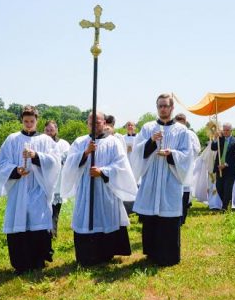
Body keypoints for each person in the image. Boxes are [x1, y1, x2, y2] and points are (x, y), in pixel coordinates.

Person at [60, 111, 138, 267]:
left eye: (97, 122)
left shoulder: (113, 142)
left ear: (104, 123)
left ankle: (106, 254)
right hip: (86, 190)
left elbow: (121, 165)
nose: (94, 125)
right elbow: (69, 165)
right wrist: (85, 153)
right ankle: (87, 255)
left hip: (105, 189)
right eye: (91, 122)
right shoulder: (80, 142)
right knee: (87, 219)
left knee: (105, 218)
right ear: (87, 124)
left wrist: (103, 171)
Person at [0, 106, 61, 274]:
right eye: (26, 121)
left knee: (38, 223)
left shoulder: (46, 140)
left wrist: (36, 156)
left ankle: (38, 260)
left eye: (32, 121)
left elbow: (55, 161)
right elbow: (1, 163)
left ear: (37, 120)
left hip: (38, 188)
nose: (29, 124)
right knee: (19, 222)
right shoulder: (12, 139)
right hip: (19, 189)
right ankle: (21, 262)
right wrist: (16, 170)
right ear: (22, 121)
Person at [131, 93, 193, 266]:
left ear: (172, 108)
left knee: (168, 218)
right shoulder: (148, 128)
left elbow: (188, 155)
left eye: (166, 106)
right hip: (151, 178)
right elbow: (137, 152)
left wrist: (171, 154)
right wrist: (150, 141)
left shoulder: (182, 131)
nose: (163, 109)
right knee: (151, 218)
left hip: (170, 180)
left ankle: (169, 255)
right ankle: (151, 253)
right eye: (160, 106)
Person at [44, 120, 70, 238]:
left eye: (51, 130)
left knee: (55, 210)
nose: (49, 132)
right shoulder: (41, 142)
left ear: (56, 130)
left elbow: (68, 160)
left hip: (58, 181)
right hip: (43, 180)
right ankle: (43, 232)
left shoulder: (63, 144)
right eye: (47, 130)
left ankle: (52, 233)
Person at [174, 113, 201, 225]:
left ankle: (182, 217)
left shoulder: (190, 134)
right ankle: (175, 215)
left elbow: (197, 149)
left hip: (187, 166)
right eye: (177, 122)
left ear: (185, 122)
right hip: (174, 166)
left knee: (185, 190)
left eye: (181, 122)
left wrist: (187, 156)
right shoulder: (173, 133)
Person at [210, 123, 235, 211]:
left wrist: (226, 164)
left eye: (227, 130)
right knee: (219, 186)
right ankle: (227, 202)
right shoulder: (220, 139)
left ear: (231, 130)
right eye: (224, 130)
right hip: (219, 168)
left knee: (228, 187)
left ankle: (224, 207)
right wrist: (215, 138)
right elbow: (213, 148)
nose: (225, 132)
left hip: (230, 168)